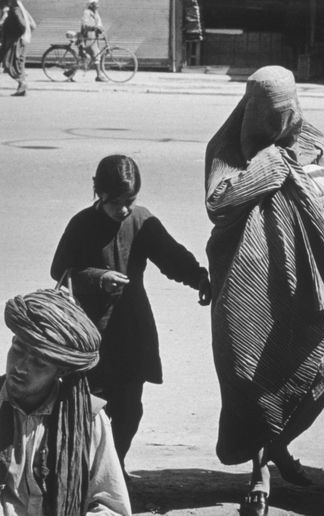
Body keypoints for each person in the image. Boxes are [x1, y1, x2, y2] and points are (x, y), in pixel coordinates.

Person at [205, 65, 324, 516]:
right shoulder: (225, 148)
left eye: (283, 113)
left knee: (321, 372)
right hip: (242, 285)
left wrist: (297, 185)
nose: (275, 125)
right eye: (265, 114)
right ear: (250, 109)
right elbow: (220, 203)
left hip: (300, 288)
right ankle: (260, 470)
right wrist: (275, 164)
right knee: (252, 379)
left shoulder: (315, 144)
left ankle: (275, 447)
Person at [50, 154, 212, 480]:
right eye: (117, 202)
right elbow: (60, 271)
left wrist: (199, 277)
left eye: (131, 200)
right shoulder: (81, 224)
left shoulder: (140, 221)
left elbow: (171, 257)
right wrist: (97, 277)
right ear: (100, 193)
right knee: (89, 408)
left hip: (132, 331)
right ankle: (86, 473)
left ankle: (115, 464)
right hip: (89, 333)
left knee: (129, 409)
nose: (124, 209)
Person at [1, 289, 132, 515]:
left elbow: (111, 507)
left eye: (39, 363)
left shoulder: (88, 418)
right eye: (18, 350)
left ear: (60, 369)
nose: (20, 367)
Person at [0, 0, 34, 96]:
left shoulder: (15, 11)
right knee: (16, 64)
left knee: (9, 63)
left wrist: (19, 37)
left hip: (14, 42)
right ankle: (21, 88)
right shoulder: (17, 10)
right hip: (12, 41)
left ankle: (22, 83)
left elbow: (22, 25)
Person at [78, 0, 106, 82]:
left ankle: (70, 72)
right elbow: (84, 25)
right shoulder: (86, 12)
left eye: (97, 3)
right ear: (91, 5)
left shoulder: (96, 13)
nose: (97, 5)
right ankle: (99, 76)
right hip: (87, 38)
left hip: (93, 38)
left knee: (90, 57)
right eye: (96, 3)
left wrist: (101, 29)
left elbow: (99, 24)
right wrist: (94, 27)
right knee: (94, 56)